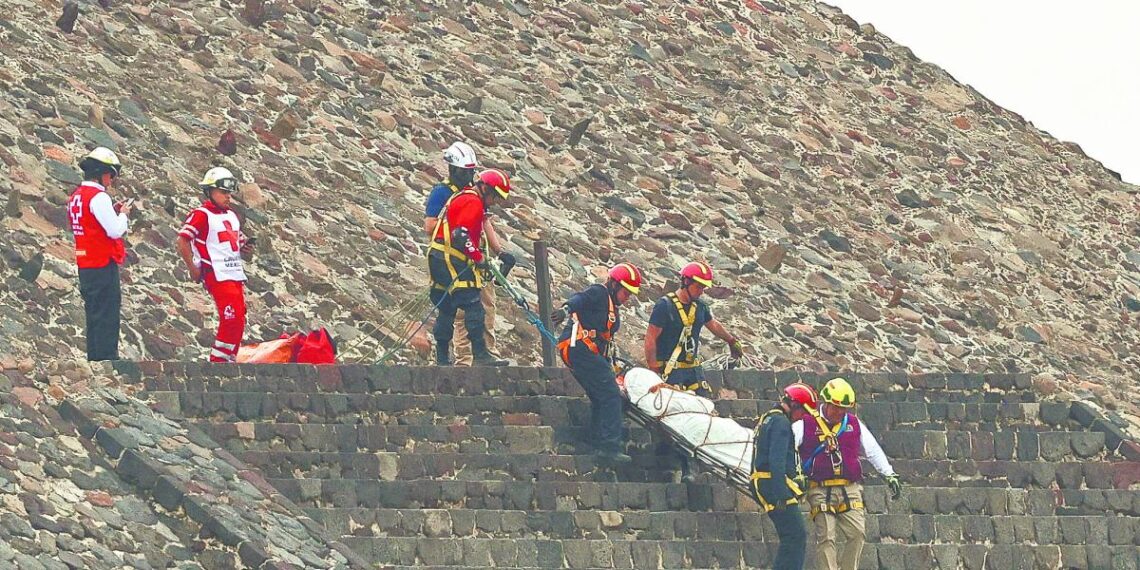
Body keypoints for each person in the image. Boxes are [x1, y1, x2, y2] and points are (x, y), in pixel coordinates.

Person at [794, 377, 902, 570]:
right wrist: (795, 473)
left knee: (857, 533)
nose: (840, 412)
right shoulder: (806, 424)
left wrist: (889, 474)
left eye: (844, 408)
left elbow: (872, 450)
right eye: (836, 407)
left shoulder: (853, 424)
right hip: (819, 488)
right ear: (826, 403)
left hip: (849, 487)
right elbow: (788, 449)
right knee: (826, 536)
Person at [423, 142, 514, 366]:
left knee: (447, 307)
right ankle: (478, 356)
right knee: (473, 305)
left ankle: (443, 359)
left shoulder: (470, 196)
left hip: (444, 255)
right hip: (453, 256)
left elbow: (483, 223)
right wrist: (477, 257)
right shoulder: (458, 196)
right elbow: (459, 234)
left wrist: (499, 252)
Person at [552, 263, 643, 464]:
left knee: (600, 396)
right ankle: (610, 446)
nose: (627, 298)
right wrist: (565, 310)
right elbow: (580, 299)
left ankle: (597, 442)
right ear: (614, 285)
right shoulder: (599, 293)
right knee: (611, 393)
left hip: (590, 354)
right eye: (626, 292)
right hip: (581, 350)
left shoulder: (611, 304)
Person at [176, 167, 255, 363]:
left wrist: (243, 247)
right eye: (223, 192)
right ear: (210, 192)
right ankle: (217, 363)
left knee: (239, 319)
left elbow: (234, 240)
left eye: (229, 192)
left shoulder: (231, 215)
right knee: (231, 319)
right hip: (216, 273)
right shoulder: (201, 214)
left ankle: (229, 359)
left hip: (235, 273)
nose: (227, 197)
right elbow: (183, 240)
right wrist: (193, 268)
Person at [67, 147, 131, 361]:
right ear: (102, 172)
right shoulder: (98, 197)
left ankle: (95, 357)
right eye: (110, 175)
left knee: (93, 312)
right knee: (107, 312)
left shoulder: (76, 196)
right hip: (102, 261)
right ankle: (106, 358)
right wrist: (122, 215)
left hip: (85, 262)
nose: (111, 180)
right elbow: (114, 230)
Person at [751, 382, 818, 570]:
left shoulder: (769, 418)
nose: (801, 418)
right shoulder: (781, 423)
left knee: (791, 537)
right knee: (796, 537)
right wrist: (782, 493)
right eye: (802, 412)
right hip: (774, 487)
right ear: (795, 405)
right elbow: (776, 460)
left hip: (766, 484)